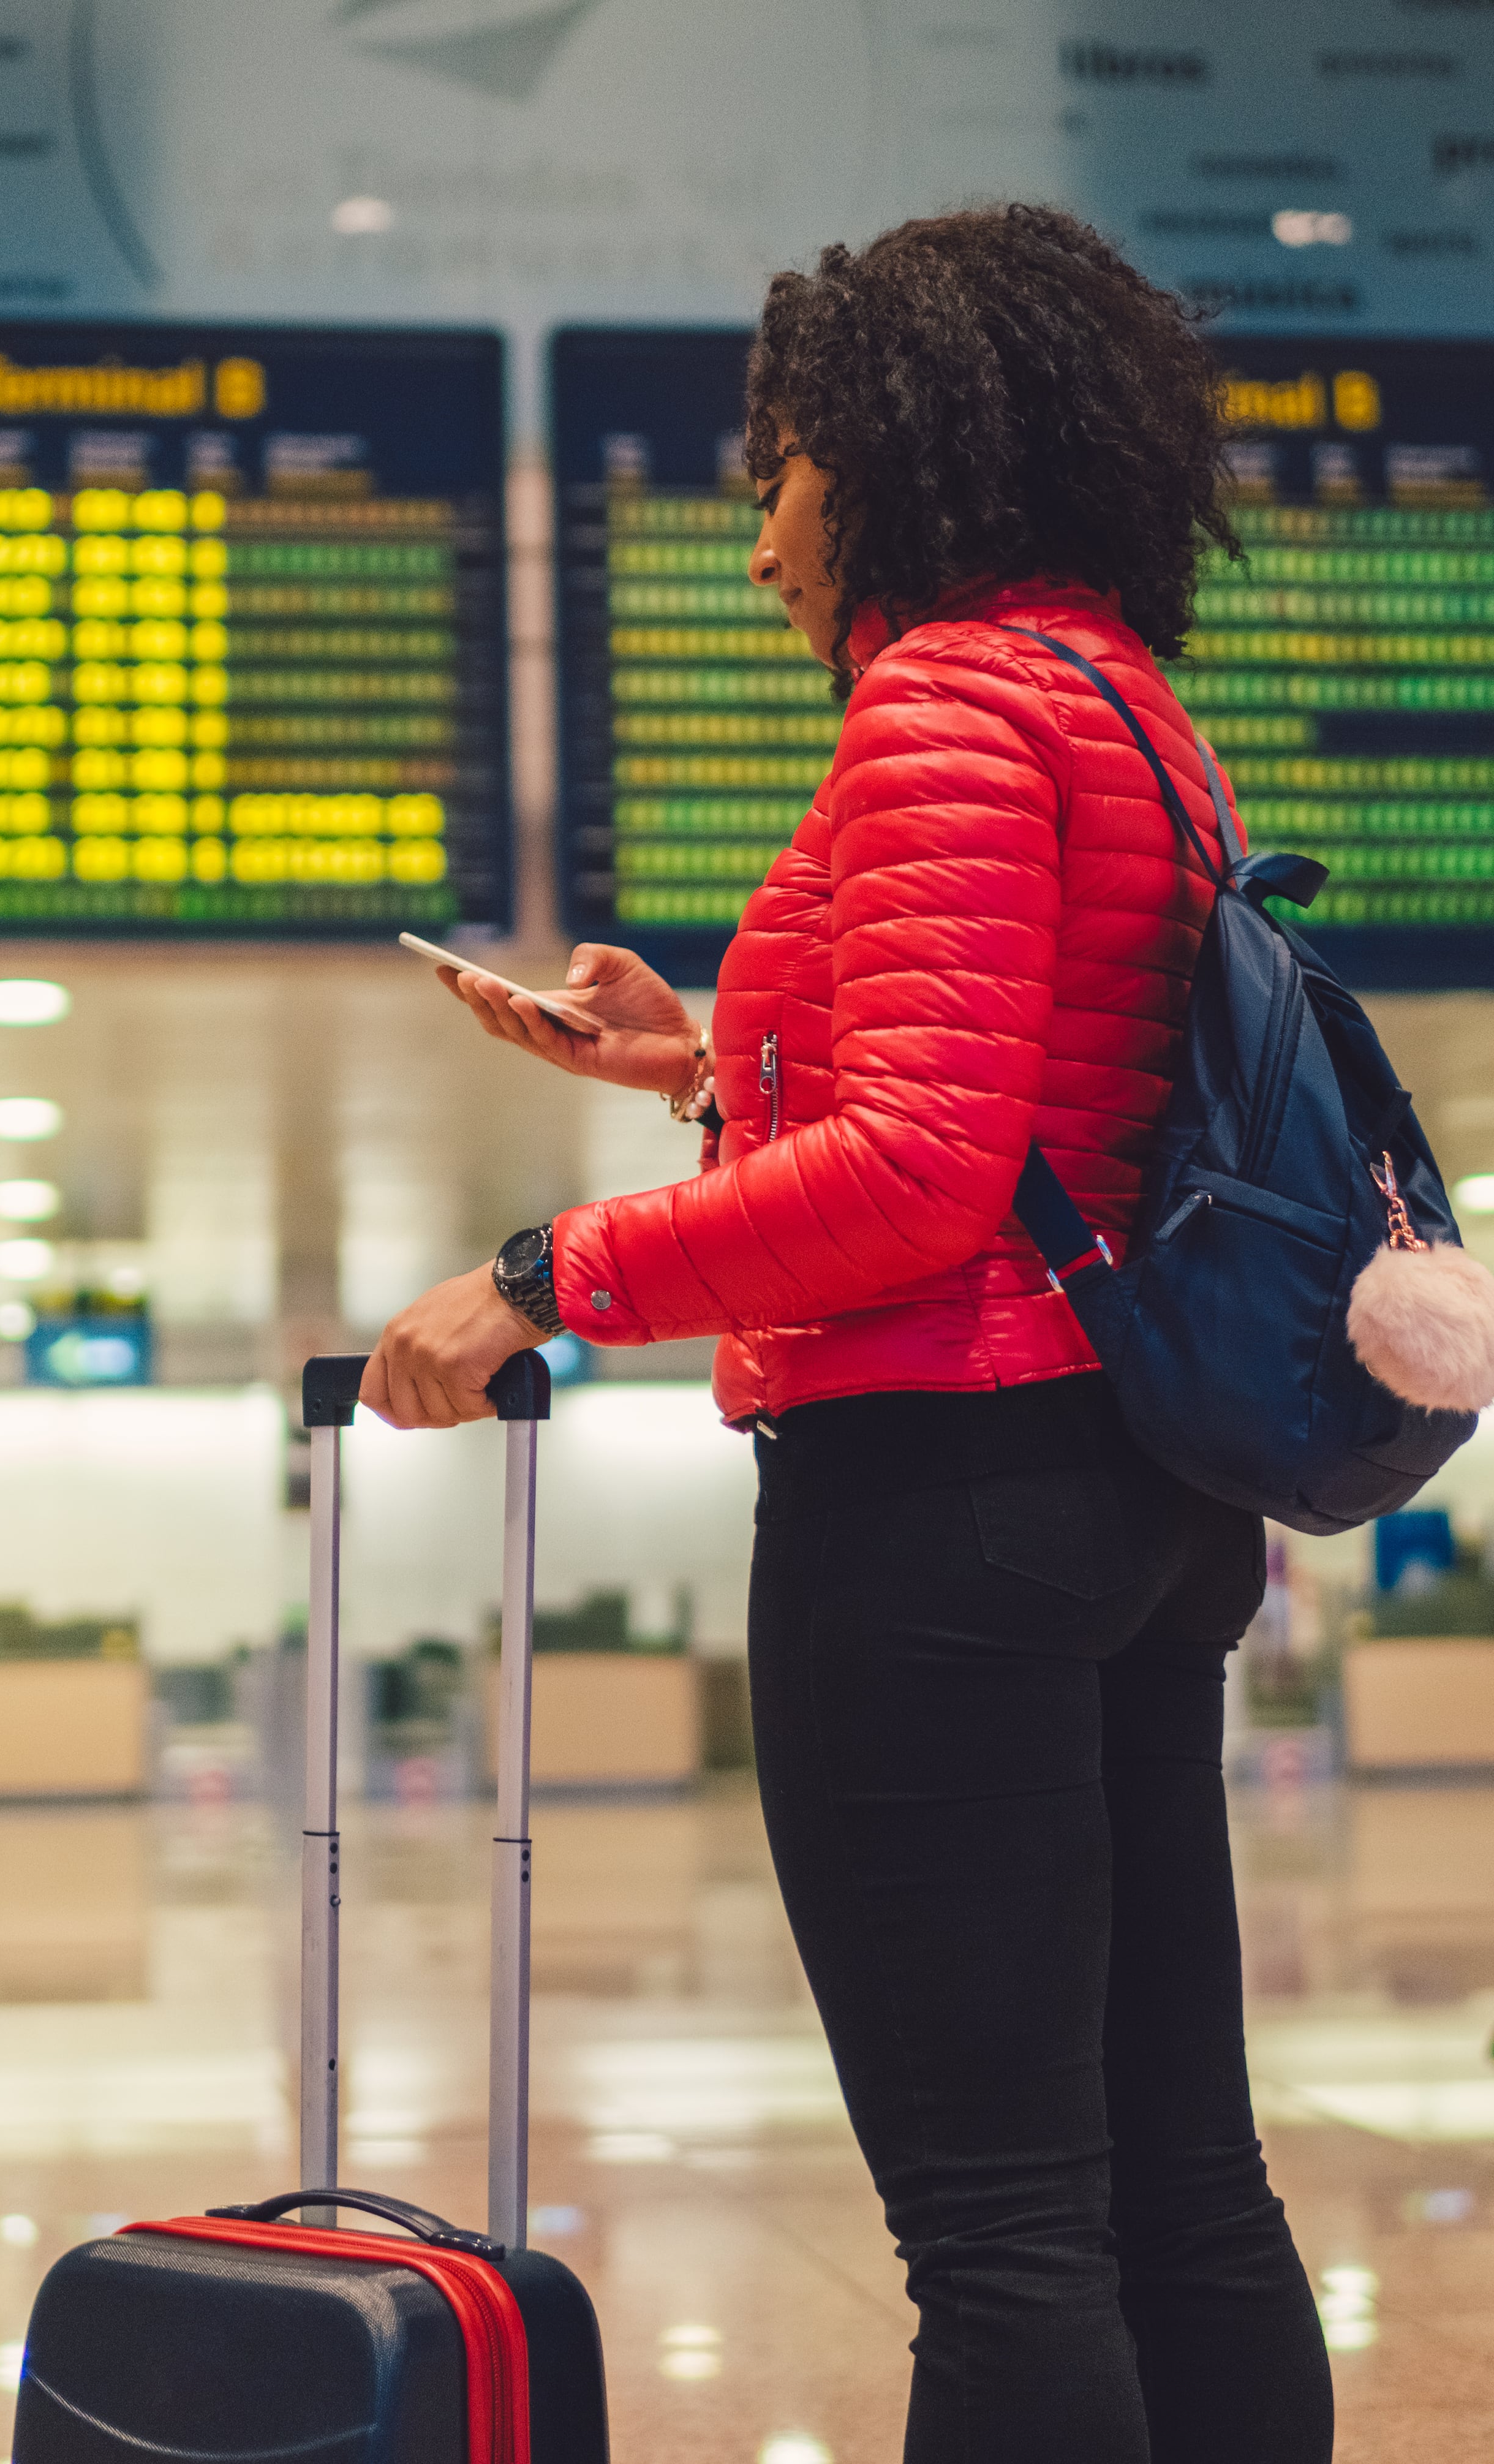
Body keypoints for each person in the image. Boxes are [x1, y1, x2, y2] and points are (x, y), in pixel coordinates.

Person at [361, 206, 1332, 2464]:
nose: (763, 527)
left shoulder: (940, 703)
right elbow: (1039, 1104)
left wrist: (534, 1276)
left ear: (887, 456)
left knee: (1003, 2229)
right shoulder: (1124, 703)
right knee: (1180, 2178)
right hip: (1137, 1488)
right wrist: (699, 1068)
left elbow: (916, 1180)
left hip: (946, 1506)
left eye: (782, 465)